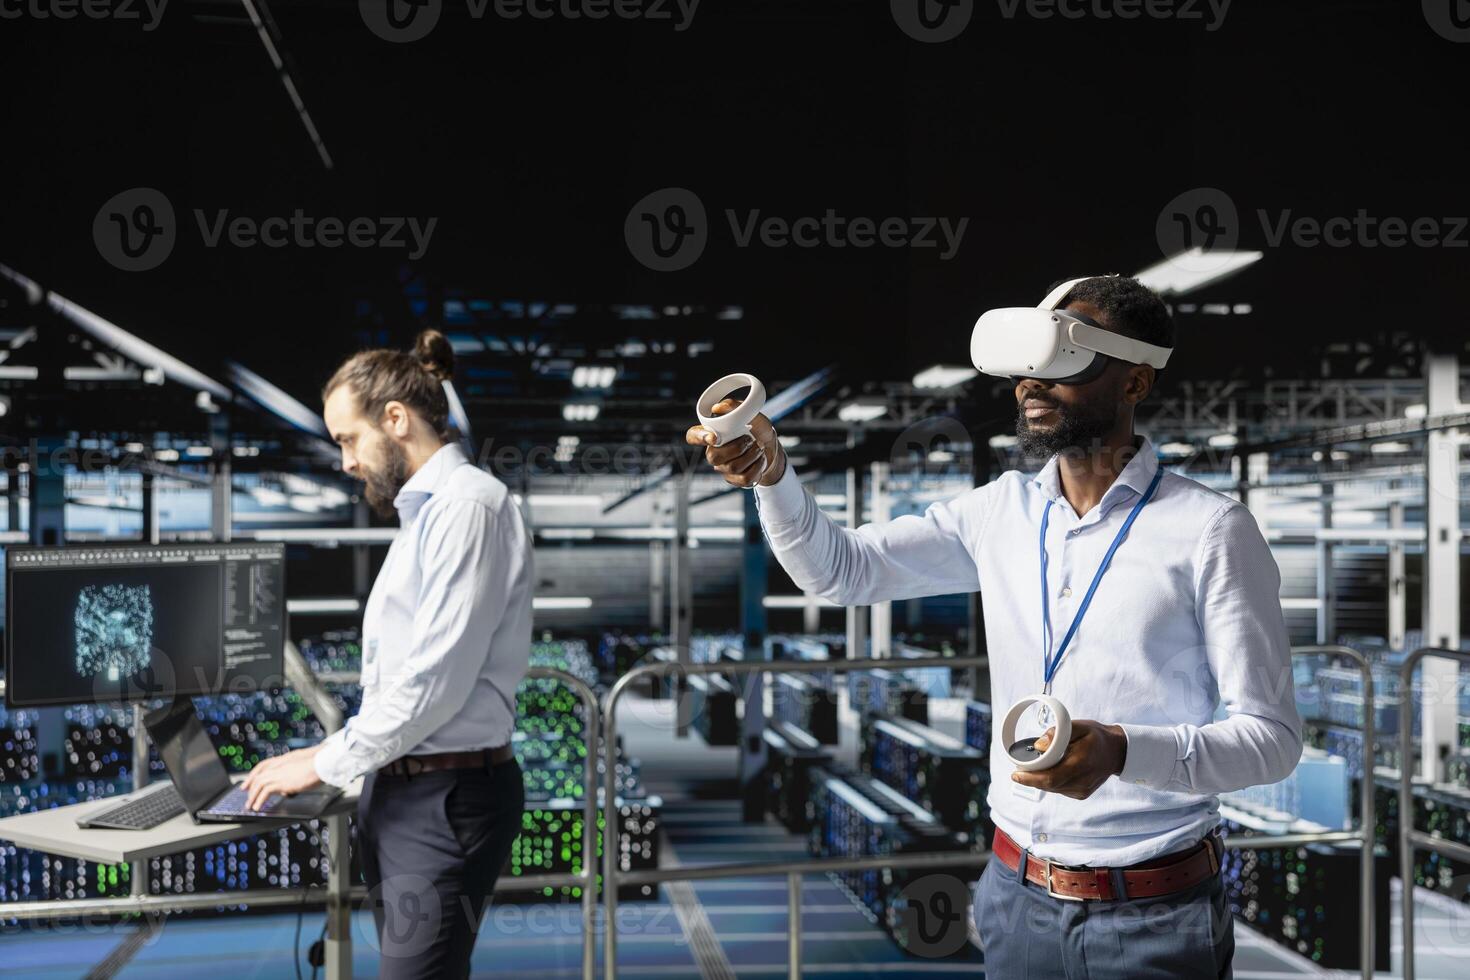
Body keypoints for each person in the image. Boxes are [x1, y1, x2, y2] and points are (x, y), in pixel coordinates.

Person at [686, 275, 1301, 978]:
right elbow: (842, 571)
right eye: (1026, 366)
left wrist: (1124, 751)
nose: (1030, 384)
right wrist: (773, 474)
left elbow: (1272, 740)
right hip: (1014, 898)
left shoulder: (1212, 530)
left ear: (1135, 382)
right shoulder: (999, 513)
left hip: (1153, 912)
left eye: (1064, 363)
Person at [242, 329, 533, 979]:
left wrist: (323, 760)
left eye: (349, 439)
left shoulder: (468, 507)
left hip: (444, 796)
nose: (346, 462)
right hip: (403, 789)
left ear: (396, 419)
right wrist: (343, 764)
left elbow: (435, 680)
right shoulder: (423, 517)